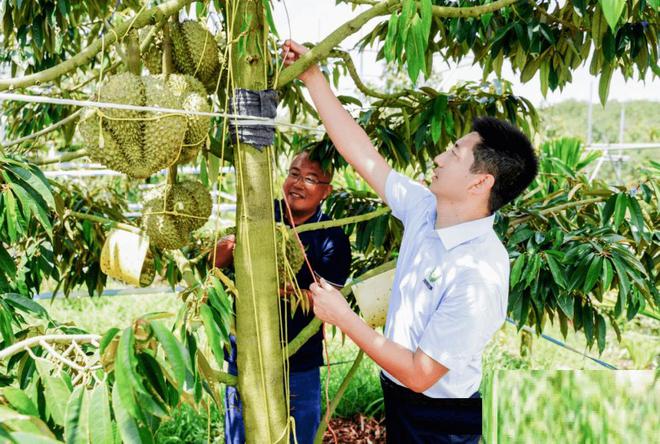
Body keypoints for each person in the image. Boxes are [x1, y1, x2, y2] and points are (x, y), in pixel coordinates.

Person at [282, 40, 538, 443]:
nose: (438, 159)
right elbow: (363, 156)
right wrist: (314, 78)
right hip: (400, 400)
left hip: (441, 420)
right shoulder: (424, 208)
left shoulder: (480, 271)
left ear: (480, 182)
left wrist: (342, 317)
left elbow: (421, 374)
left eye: (453, 154)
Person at [212, 150, 351, 444]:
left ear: (326, 191)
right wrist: (234, 243)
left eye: (311, 179)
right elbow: (213, 260)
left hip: (299, 360)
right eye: (294, 173)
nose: (298, 184)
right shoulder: (260, 213)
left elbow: (332, 301)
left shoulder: (331, 236)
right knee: (240, 435)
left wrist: (290, 290)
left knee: (299, 435)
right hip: (247, 354)